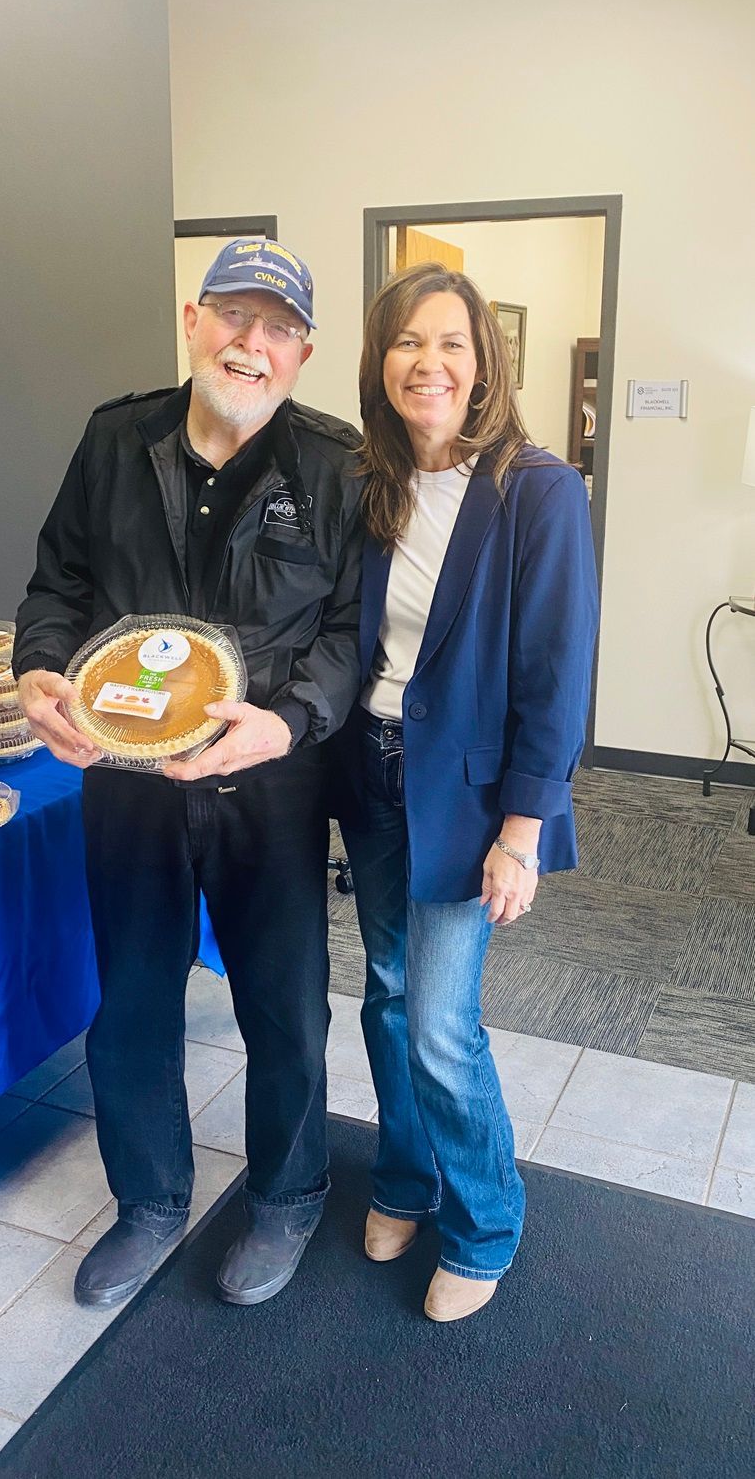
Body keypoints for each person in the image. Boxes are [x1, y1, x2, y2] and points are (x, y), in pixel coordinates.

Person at [13, 238, 363, 1309]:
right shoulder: (115, 439)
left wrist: (292, 720)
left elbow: (349, 633)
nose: (252, 345)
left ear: (302, 353)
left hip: (270, 781)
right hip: (126, 779)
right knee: (132, 1002)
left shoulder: (337, 465)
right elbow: (56, 582)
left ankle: (290, 1194)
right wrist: (35, 667)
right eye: (235, 318)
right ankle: (152, 1200)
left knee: (284, 1003)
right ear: (193, 320)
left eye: (278, 330)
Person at [336, 262, 598, 1323]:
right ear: (381, 361)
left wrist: (522, 833)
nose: (428, 363)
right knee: (386, 997)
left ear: (485, 359)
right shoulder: (372, 484)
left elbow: (555, 673)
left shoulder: (538, 489)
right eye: (407, 342)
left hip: (471, 798)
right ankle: (406, 1178)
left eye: (450, 342)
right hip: (375, 769)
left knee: (441, 1020)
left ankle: (486, 1219)